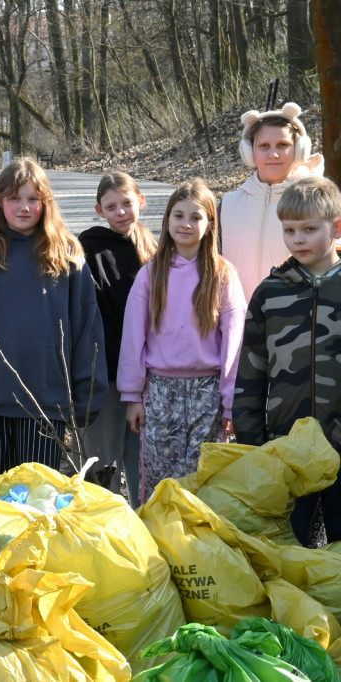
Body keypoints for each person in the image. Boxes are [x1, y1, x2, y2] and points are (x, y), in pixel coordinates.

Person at [0, 158, 107, 529]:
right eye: (14, 198)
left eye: (33, 198)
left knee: (38, 501)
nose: (24, 207)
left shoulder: (67, 257)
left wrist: (86, 392)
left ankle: (33, 571)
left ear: (46, 202)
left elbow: (86, 330)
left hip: (45, 403)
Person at [118, 179, 246, 502]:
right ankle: (160, 545)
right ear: (167, 220)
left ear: (210, 224)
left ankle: (198, 548)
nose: (186, 224)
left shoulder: (223, 275)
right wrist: (133, 395)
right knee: (161, 479)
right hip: (160, 391)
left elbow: (234, 343)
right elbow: (133, 338)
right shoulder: (151, 274)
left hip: (208, 393)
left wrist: (230, 403)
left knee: (203, 478)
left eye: (195, 217)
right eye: (178, 215)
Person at [234, 176, 341, 546]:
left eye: (310, 229)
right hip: (286, 450)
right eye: (289, 229)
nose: (298, 238)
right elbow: (250, 374)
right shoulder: (269, 294)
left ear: (336, 227)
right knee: (292, 550)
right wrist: (252, 445)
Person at [78, 173, 157, 508]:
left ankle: (147, 526)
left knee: (142, 460)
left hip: (148, 373)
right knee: (102, 459)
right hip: (105, 373)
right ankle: (102, 528)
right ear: (100, 210)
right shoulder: (88, 247)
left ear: (141, 201)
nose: (121, 212)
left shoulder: (154, 249)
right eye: (112, 207)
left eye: (127, 203)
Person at [220, 102, 324, 301]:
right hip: (238, 324)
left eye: (283, 145)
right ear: (250, 152)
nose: (273, 154)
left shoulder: (318, 204)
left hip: (297, 325)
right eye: (264, 146)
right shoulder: (227, 205)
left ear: (300, 149)